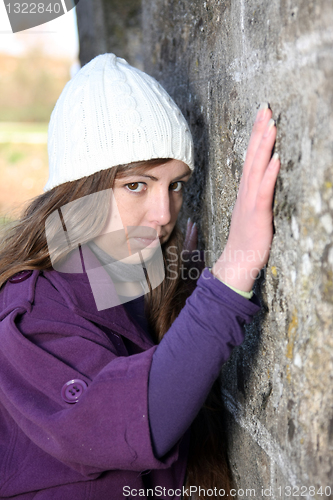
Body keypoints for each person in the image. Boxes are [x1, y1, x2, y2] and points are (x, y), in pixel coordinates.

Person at [0, 53, 280, 500]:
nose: (164, 213)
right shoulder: (30, 315)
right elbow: (136, 419)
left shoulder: (133, 275)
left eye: (175, 185)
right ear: (79, 190)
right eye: (136, 185)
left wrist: (184, 284)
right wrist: (231, 275)